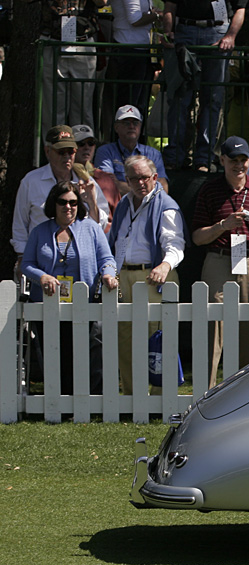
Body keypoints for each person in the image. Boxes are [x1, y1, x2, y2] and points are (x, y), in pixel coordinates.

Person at [191, 137, 249, 389]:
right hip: (218, 259)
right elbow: (197, 237)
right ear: (222, 160)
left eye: (243, 160)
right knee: (212, 327)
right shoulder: (209, 190)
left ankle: (247, 393)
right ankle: (204, 393)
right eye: (233, 160)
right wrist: (223, 226)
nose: (239, 165)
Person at [21, 182, 118, 395]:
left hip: (84, 303)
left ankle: (90, 399)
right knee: (55, 351)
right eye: (63, 202)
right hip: (49, 303)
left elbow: (107, 258)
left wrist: (109, 274)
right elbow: (26, 264)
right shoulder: (39, 232)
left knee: (87, 351)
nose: (68, 207)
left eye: (73, 202)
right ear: (53, 204)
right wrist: (43, 276)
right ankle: (60, 399)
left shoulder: (91, 228)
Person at [108, 156, 186, 395]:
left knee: (156, 339)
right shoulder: (123, 204)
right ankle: (133, 395)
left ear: (155, 177)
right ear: (127, 180)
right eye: (134, 178)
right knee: (124, 337)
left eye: (145, 177)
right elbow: (114, 241)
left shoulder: (167, 205)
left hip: (153, 276)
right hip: (124, 275)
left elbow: (176, 244)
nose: (140, 182)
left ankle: (158, 397)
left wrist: (164, 266)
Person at [162, 0, 247, 172]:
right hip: (185, 31)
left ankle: (204, 158)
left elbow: (240, 8)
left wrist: (231, 36)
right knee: (180, 98)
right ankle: (175, 157)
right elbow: (170, 6)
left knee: (213, 100)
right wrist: (167, 32)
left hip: (218, 32)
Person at [11, 126, 109, 264]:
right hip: (41, 256)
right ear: (47, 151)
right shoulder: (31, 181)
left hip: (79, 258)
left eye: (71, 151)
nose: (67, 157)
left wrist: (92, 202)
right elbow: (20, 223)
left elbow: (100, 227)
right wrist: (22, 256)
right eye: (61, 152)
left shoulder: (87, 182)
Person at [39, 0, 105, 131]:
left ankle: (84, 147)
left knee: (83, 106)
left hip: (83, 41)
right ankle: (55, 147)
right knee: (53, 107)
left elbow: (102, 2)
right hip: (52, 41)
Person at [94, 105, 169, 196]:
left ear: (140, 127)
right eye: (126, 123)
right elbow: (108, 185)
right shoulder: (105, 151)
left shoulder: (153, 153)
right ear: (116, 127)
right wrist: (148, 190)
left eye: (135, 123)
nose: (131, 126)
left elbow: (163, 188)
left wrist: (121, 185)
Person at [109, 0, 160, 122]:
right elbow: (134, 19)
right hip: (129, 49)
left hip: (142, 48)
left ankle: (137, 138)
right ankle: (122, 139)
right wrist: (158, 15)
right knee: (128, 105)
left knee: (140, 104)